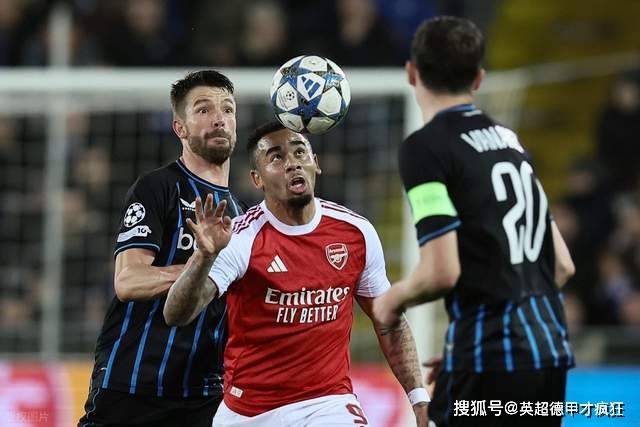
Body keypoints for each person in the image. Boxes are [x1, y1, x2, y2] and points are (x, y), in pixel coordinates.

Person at [373, 16, 576, 427]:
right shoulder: (511, 142)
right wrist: (464, 347)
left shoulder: (425, 148)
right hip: (549, 355)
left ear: (412, 73)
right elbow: (561, 265)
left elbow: (441, 272)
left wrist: (390, 302)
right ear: (478, 78)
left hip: (491, 358)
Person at [163, 121, 430, 426]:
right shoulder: (240, 238)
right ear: (257, 179)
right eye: (276, 157)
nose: (292, 163)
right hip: (250, 412)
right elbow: (176, 314)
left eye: (299, 152)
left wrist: (419, 398)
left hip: (328, 403)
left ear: (315, 163)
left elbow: (389, 323)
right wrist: (204, 257)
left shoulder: (356, 232)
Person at [79, 70, 244, 427]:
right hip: (134, 383)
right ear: (179, 128)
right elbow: (128, 281)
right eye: (203, 109)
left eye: (228, 109)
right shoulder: (159, 188)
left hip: (203, 393)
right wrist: (204, 267)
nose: (219, 118)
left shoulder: (242, 213)